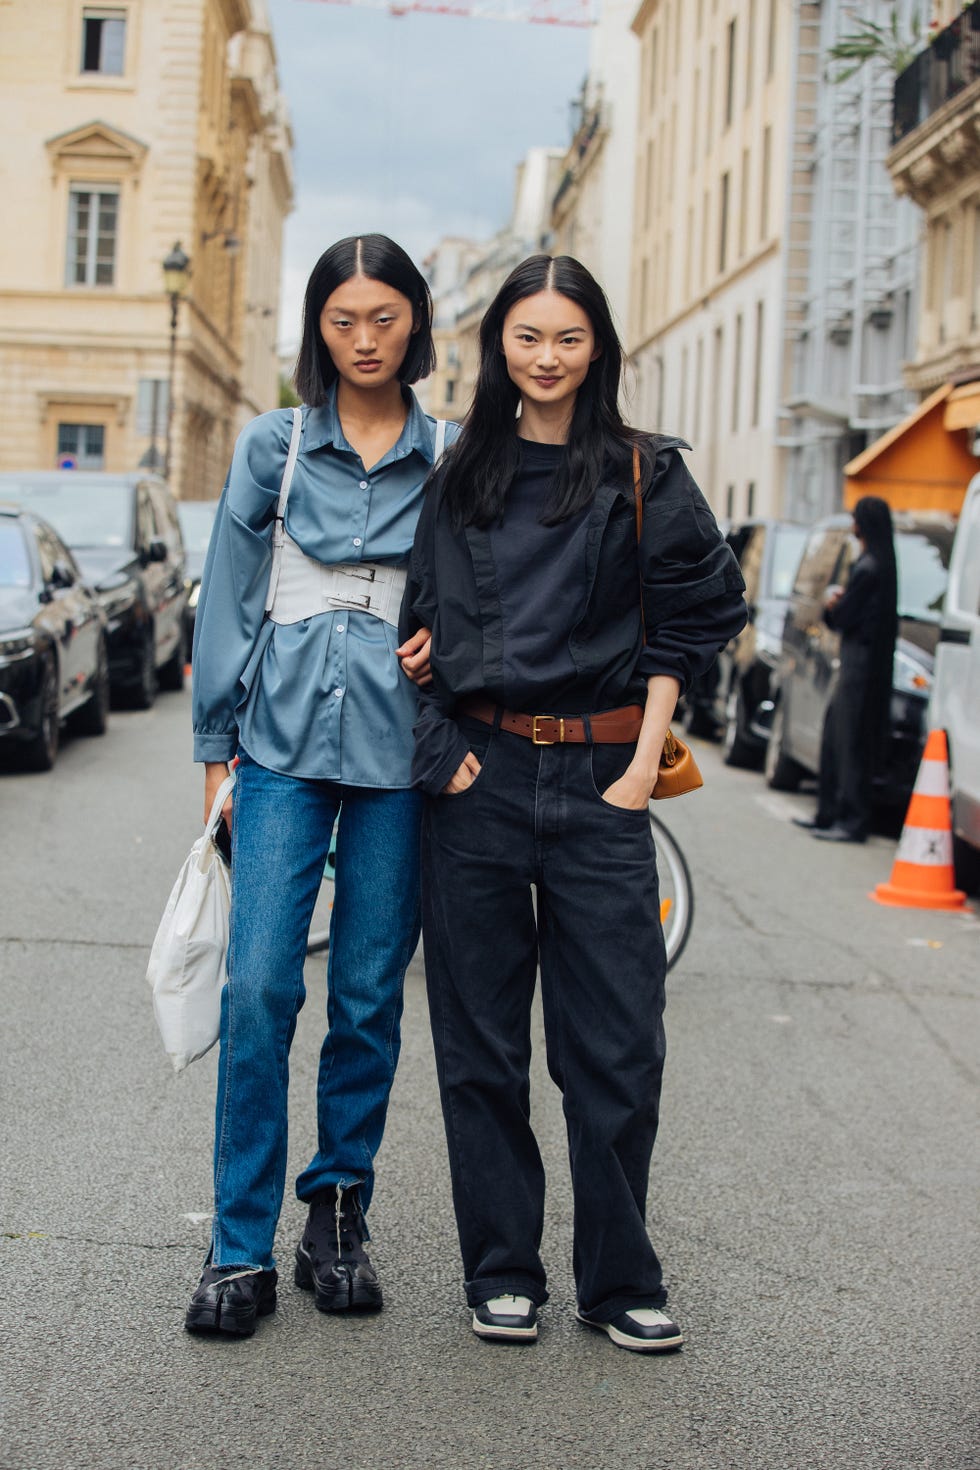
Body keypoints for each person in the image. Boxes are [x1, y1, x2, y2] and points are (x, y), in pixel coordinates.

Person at [399, 254, 746, 1352]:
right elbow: (406, 634)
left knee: (615, 1047)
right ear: (496, 346)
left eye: (567, 339)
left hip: (606, 782)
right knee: (480, 1045)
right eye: (525, 338)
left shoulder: (645, 474)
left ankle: (618, 1279)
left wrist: (642, 766)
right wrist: (441, 753)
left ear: (597, 349)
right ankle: (502, 1270)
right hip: (481, 782)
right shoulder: (458, 478)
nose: (545, 360)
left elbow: (693, 620)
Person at [185, 234, 455, 1337]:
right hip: (281, 752)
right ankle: (237, 1246)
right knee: (257, 991)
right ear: (318, 328)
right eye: (342, 320)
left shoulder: (450, 451)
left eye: (383, 318)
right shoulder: (275, 446)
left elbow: (481, 593)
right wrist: (215, 766)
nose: (363, 339)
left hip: (399, 762)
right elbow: (228, 598)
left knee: (365, 999)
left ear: (415, 326)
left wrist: (454, 647)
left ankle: (336, 1214)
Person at [793, 495, 898, 844]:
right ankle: (830, 815)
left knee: (848, 742)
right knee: (838, 738)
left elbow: (842, 618)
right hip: (863, 665)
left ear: (863, 524)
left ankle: (849, 820)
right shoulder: (879, 563)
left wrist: (832, 604)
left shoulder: (868, 567)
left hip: (858, 666)